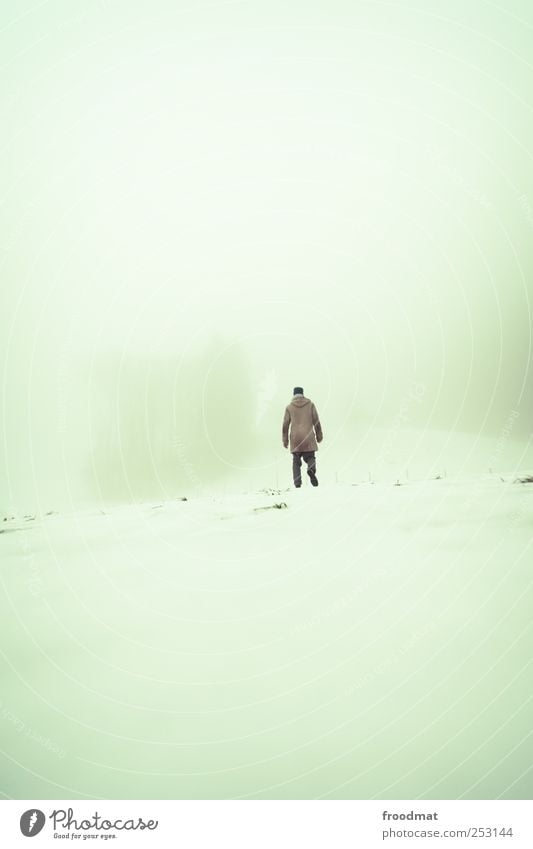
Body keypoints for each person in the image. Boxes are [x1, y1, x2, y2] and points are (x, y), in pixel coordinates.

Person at [282, 387, 323, 488]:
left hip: (296, 439)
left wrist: (285, 440)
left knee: (296, 461)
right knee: (310, 457)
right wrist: (319, 435)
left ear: (294, 394)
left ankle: (297, 483)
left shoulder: (289, 407)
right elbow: (316, 421)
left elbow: (285, 425)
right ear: (302, 393)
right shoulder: (310, 405)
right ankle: (311, 469)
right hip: (308, 437)